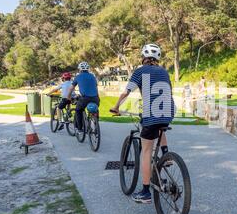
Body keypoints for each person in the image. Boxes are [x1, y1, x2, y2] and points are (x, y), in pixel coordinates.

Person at [110, 44, 175, 204]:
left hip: (151, 113)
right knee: (160, 127)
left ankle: (146, 192)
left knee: (146, 151)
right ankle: (166, 156)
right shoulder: (164, 72)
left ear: (143, 57)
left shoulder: (140, 71)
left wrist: (116, 107)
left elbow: (127, 91)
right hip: (168, 111)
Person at [67, 62, 100, 135]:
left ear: (80, 69)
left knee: (78, 110)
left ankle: (80, 129)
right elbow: (96, 88)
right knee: (95, 110)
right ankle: (96, 124)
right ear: (88, 69)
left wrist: (68, 97)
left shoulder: (78, 77)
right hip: (95, 98)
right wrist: (97, 98)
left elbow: (70, 89)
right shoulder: (92, 76)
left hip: (85, 98)